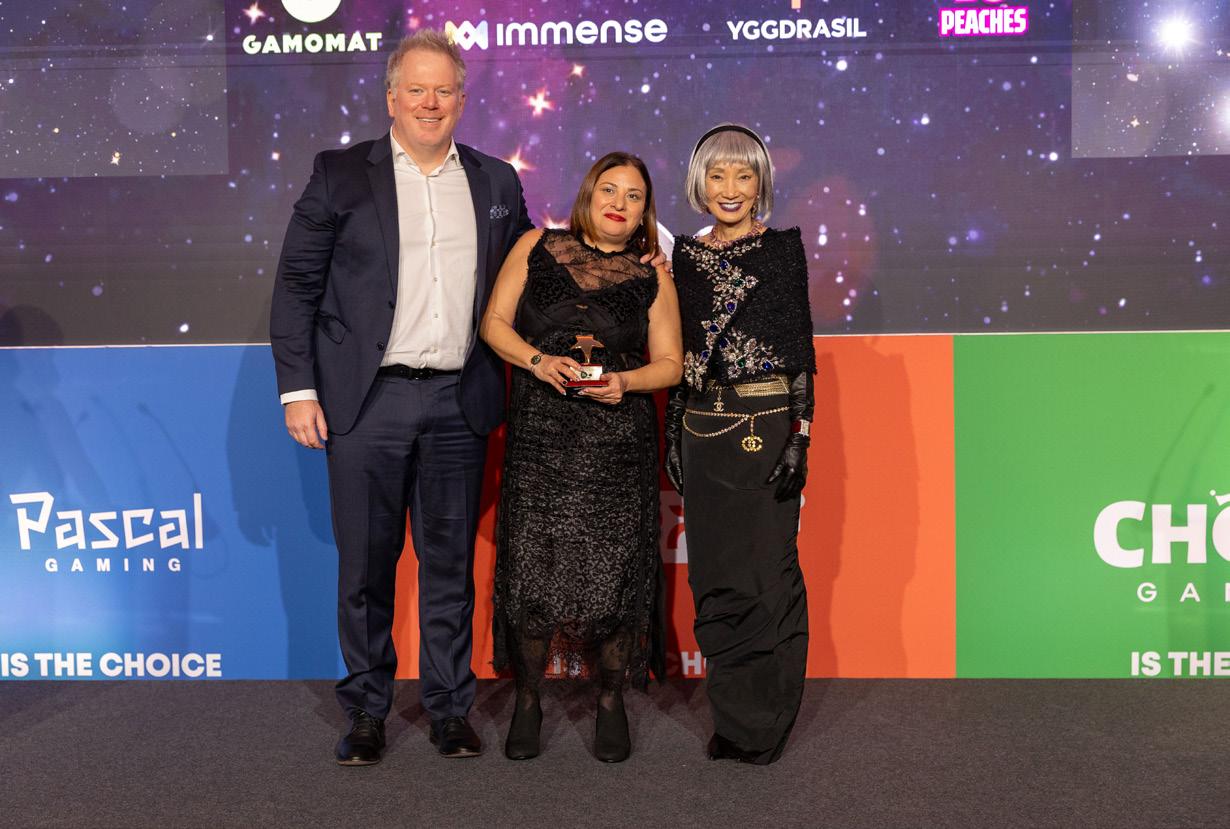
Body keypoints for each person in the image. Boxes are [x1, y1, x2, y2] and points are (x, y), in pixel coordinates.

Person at [269, 30, 534, 765]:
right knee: (365, 569)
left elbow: (531, 272)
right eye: (416, 89)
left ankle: (450, 709)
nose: (429, 102)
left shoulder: (496, 181)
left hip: (460, 402)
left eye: (443, 90)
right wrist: (298, 390)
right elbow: (296, 288)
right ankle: (365, 711)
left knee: (450, 567)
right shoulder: (339, 174)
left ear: (462, 100)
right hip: (366, 403)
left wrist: (624, 264)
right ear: (391, 97)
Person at [479, 152, 682, 763]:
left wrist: (627, 383)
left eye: (634, 196)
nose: (619, 203)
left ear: (645, 212)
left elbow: (671, 364)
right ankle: (528, 700)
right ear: (588, 194)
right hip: (541, 438)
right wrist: (538, 361)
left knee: (615, 575)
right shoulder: (536, 246)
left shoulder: (652, 276)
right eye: (609, 189)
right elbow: (493, 323)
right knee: (532, 569)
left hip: (618, 444)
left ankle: (611, 701)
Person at [664, 124, 815, 765]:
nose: (730, 188)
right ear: (699, 183)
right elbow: (682, 354)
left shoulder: (781, 252)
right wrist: (674, 430)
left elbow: (800, 353)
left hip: (767, 426)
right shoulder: (684, 258)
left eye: (743, 176)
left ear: (761, 185)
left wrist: (801, 436)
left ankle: (766, 723)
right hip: (702, 430)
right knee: (715, 576)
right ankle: (732, 719)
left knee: (766, 574)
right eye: (717, 175)